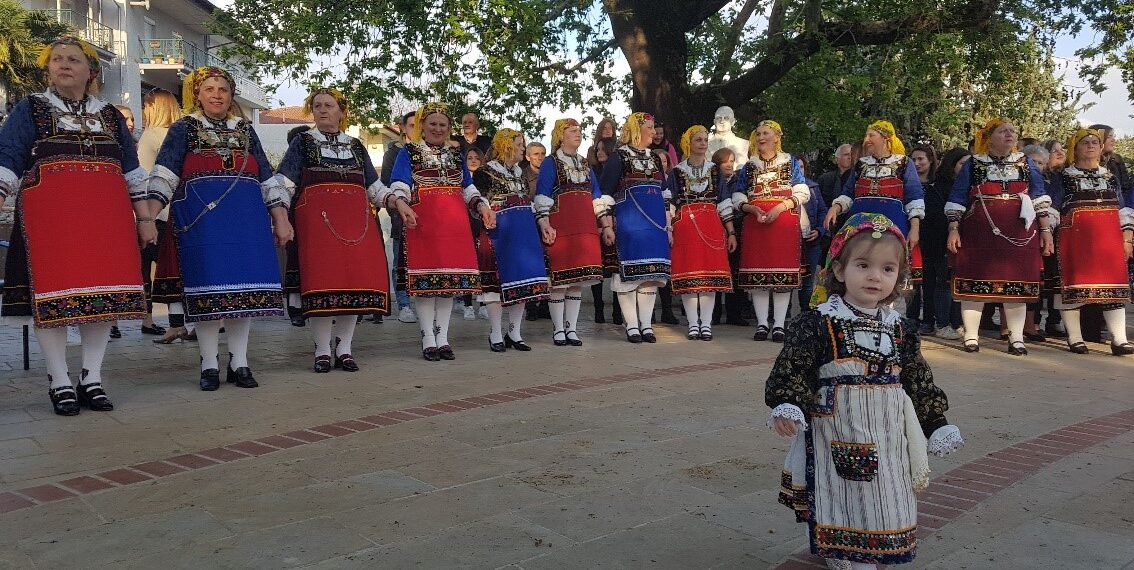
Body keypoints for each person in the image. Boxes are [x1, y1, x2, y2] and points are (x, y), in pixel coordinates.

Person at [768, 212, 963, 570]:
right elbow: (794, 366)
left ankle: (865, 551)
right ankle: (843, 552)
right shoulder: (818, 322)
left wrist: (936, 422)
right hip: (837, 430)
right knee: (840, 494)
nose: (875, 276)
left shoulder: (901, 329)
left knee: (888, 496)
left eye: (888, 269)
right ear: (839, 270)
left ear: (898, 277)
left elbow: (917, 379)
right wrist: (788, 403)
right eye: (863, 265)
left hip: (889, 436)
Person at [0, 36, 156, 415]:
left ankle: (92, 378)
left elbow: (131, 170)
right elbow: (8, 156)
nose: (63, 65)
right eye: (56, 59)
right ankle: (59, 379)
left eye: (72, 59)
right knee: (51, 297)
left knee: (103, 296)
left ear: (91, 71)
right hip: (50, 221)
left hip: (107, 220)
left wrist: (145, 218)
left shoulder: (110, 116)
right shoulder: (31, 109)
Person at [147, 66, 292, 390]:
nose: (216, 95)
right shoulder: (183, 128)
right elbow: (165, 174)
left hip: (247, 222)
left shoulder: (245, 129)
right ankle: (209, 364)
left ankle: (239, 362)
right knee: (208, 292)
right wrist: (148, 218)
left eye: (223, 89)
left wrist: (281, 219)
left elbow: (267, 178)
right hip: (203, 225)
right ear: (197, 94)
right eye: (209, 89)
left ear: (231, 95)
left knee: (245, 293)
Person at [275, 88, 416, 372]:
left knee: (352, 285)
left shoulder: (355, 145)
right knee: (320, 285)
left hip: (356, 225)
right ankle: (322, 350)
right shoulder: (303, 142)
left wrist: (398, 202)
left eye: (329, 105)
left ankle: (345, 349)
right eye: (317, 105)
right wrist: (280, 215)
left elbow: (374, 187)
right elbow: (284, 183)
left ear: (341, 112)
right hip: (317, 227)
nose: (322, 110)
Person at [389, 102, 495, 361]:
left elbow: (467, 187)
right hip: (423, 222)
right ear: (423, 126)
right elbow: (400, 183)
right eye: (433, 124)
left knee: (449, 282)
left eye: (443, 125)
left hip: (454, 224)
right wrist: (402, 203)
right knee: (426, 283)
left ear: (449, 128)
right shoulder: (409, 152)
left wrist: (482, 206)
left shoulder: (456, 155)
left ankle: (443, 338)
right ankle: (428, 338)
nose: (437, 129)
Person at [945, 118, 1053, 356]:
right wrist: (953, 228)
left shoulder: (1025, 163)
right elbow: (958, 196)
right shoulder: (974, 163)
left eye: (1012, 130)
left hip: (1020, 232)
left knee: (1017, 284)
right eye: (1003, 131)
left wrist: (1046, 231)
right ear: (989, 137)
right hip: (979, 232)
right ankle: (971, 336)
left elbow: (1038, 196)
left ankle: (1016, 338)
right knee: (974, 281)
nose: (1009, 134)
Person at [1046, 128, 1133, 355]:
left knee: (1113, 288)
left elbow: (1122, 208)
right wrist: (1047, 234)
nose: (1091, 145)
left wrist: (1127, 236)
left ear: (1101, 148)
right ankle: (1075, 338)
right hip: (1075, 240)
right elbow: (1053, 208)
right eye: (1085, 142)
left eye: (1095, 142)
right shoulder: (1063, 177)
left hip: (1109, 241)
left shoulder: (1110, 177)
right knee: (1072, 287)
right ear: (1075, 149)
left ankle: (1119, 340)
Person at [728, 120, 810, 343]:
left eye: (766, 133)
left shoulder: (790, 162)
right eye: (758, 133)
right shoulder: (749, 166)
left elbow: (802, 191)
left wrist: (781, 207)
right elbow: (738, 195)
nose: (761, 137)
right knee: (758, 276)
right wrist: (751, 209)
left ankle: (780, 325)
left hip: (783, 224)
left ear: (777, 137)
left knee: (783, 276)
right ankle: (762, 324)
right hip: (756, 223)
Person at [473, 129, 550, 352]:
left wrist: (542, 223)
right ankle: (496, 333)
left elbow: (529, 202)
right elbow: (480, 202)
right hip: (499, 233)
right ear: (505, 145)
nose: (522, 149)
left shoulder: (520, 173)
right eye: (518, 145)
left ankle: (514, 333)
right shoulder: (485, 172)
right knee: (495, 286)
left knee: (523, 282)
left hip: (523, 232)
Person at [825, 120, 925, 290]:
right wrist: (835, 207)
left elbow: (914, 196)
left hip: (893, 225)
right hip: (860, 226)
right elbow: (848, 193)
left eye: (871, 135)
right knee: (859, 261)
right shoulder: (861, 164)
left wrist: (915, 228)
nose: (866, 140)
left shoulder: (904, 163)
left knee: (890, 267)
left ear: (885, 138)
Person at [598, 112, 671, 343]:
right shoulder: (619, 157)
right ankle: (631, 325)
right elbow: (605, 194)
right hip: (629, 224)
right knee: (628, 277)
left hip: (655, 225)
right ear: (637, 130)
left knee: (650, 275)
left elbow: (665, 194)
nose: (653, 132)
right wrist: (607, 225)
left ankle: (646, 325)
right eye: (649, 127)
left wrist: (668, 227)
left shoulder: (655, 158)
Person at [536, 118, 607, 346]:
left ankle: (572, 328)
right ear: (561, 136)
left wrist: (605, 224)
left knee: (577, 280)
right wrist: (544, 223)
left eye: (579, 131)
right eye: (573, 131)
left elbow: (596, 194)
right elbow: (542, 194)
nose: (578, 134)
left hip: (584, 226)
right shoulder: (551, 162)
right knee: (559, 281)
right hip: (562, 225)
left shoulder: (585, 163)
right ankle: (558, 329)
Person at [668, 125, 737, 340]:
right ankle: (692, 324)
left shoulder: (715, 170)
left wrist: (731, 232)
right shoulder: (677, 171)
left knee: (709, 277)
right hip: (685, 227)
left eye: (705, 140)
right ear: (688, 143)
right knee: (689, 277)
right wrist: (669, 229)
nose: (703, 143)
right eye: (698, 139)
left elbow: (724, 201)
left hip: (711, 225)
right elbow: (670, 204)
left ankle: (705, 324)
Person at [138, 89, 184, 341]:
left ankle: (149, 319)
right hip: (182, 211)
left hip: (156, 211)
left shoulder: (151, 136)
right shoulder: (182, 133)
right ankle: (184, 321)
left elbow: (144, 177)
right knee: (179, 269)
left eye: (146, 106)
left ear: (154, 107)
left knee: (149, 268)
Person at [382, 111, 418, 324]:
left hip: (427, 215)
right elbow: (387, 183)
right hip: (401, 214)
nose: (416, 128)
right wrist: (398, 208)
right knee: (400, 260)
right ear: (403, 128)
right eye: (411, 125)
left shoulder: (430, 152)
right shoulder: (394, 153)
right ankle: (404, 304)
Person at [711, 147, 751, 327]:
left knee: (735, 272)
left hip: (737, 228)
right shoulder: (711, 180)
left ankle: (735, 313)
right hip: (715, 229)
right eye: (725, 161)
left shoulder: (739, 181)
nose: (729, 165)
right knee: (716, 271)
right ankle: (714, 313)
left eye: (732, 161)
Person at [589, 137, 621, 325]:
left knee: (617, 268)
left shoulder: (619, 168)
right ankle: (598, 309)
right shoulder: (593, 171)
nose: (599, 152)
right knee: (598, 268)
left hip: (617, 218)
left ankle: (617, 311)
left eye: (603, 149)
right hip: (598, 219)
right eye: (598, 149)